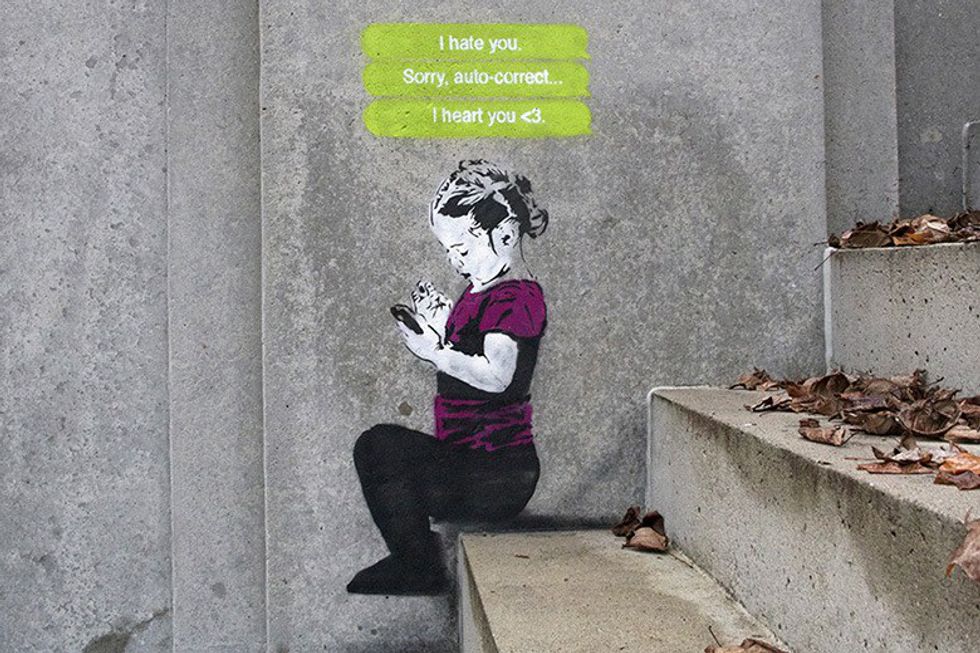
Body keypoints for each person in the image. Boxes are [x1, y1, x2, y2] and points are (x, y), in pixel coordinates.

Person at [347, 160, 549, 595]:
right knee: (381, 448)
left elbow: (498, 376)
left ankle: (417, 564)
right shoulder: (481, 291)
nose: (454, 262)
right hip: (473, 460)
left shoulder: (516, 297)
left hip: (497, 473)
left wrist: (436, 352)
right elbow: (472, 353)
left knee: (379, 448)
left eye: (462, 249)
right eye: (448, 251)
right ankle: (415, 558)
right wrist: (440, 328)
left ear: (505, 235)